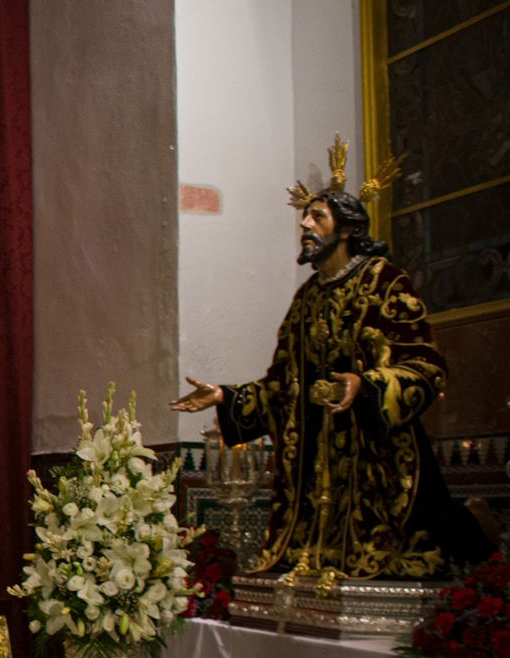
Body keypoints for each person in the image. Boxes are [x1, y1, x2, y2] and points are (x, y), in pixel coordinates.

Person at [171, 137, 490, 579]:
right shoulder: (306, 300)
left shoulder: (385, 281)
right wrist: (225, 396)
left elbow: (426, 367)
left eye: (317, 216)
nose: (305, 223)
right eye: (306, 215)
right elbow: (283, 385)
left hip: (370, 463)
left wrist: (367, 386)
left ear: (345, 229)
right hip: (314, 469)